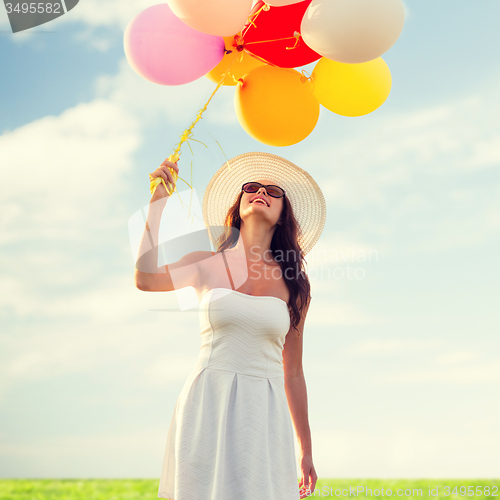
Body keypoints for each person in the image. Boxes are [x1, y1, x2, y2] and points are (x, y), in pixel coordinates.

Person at [135, 152, 326, 499]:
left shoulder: (295, 284)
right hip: (207, 402)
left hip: (265, 414)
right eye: (251, 187)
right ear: (237, 205)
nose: (261, 192)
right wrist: (158, 203)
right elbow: (146, 279)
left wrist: (306, 448)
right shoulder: (204, 262)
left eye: (273, 191)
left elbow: (293, 372)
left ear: (284, 215)